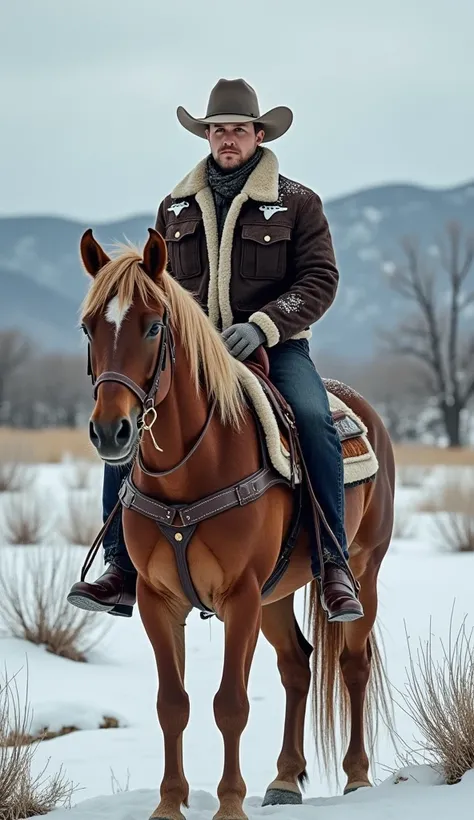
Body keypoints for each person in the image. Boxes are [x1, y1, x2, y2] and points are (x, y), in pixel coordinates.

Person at [68, 79, 363, 623]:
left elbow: (320, 278)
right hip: (192, 354)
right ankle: (120, 567)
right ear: (207, 135)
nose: (228, 139)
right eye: (218, 130)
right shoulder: (174, 206)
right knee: (133, 427)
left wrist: (264, 325)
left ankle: (333, 563)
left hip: (275, 349)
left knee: (314, 419)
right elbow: (155, 287)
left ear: (258, 134)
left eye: (238, 130)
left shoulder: (297, 203)